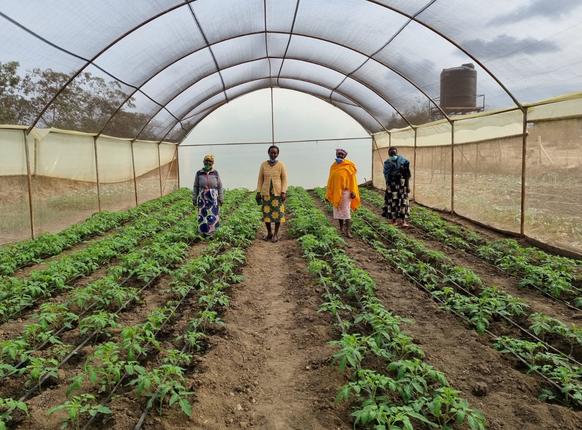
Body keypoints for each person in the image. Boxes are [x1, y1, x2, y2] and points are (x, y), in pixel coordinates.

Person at [325, 148, 360, 238]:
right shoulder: (333, 166)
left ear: (345, 156)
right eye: (339, 154)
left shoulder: (349, 166)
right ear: (336, 155)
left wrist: (353, 191)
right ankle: (341, 229)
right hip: (336, 192)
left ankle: (348, 231)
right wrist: (328, 193)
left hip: (346, 193)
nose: (340, 156)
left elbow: (352, 180)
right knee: (338, 211)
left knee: (346, 212)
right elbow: (330, 180)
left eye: (342, 154)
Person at [256, 145, 288, 243]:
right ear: (268, 153)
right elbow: (260, 179)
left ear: (277, 154)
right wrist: (258, 192)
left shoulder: (281, 165)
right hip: (266, 193)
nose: (273, 154)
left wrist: (283, 191)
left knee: (278, 214)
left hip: (277, 193)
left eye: (275, 153)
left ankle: (275, 234)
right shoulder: (263, 164)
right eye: (271, 152)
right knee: (267, 215)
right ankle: (269, 233)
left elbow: (284, 179)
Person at [192, 154, 224, 235]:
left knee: (213, 214)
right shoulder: (199, 173)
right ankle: (202, 231)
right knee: (203, 214)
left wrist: (221, 197)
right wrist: (194, 197)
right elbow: (196, 186)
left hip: (213, 197)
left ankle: (212, 232)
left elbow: (220, 186)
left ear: (212, 163)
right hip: (202, 197)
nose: (208, 163)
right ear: (203, 162)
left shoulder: (215, 173)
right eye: (206, 161)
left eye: (210, 161)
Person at [382, 147, 411, 227]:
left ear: (397, 152)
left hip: (402, 186)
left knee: (403, 202)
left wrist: (407, 186)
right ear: (389, 154)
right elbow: (386, 175)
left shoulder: (404, 161)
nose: (393, 154)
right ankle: (394, 220)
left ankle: (403, 221)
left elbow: (407, 175)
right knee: (392, 202)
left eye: (394, 153)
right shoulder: (387, 163)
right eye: (391, 153)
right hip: (392, 186)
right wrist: (388, 185)